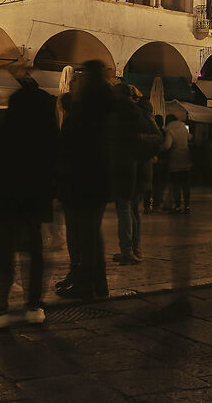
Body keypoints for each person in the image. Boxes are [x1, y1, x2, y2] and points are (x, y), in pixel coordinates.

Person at [0, 69, 56, 327]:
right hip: (36, 199)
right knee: (34, 252)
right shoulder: (49, 134)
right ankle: (34, 307)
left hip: (8, 198)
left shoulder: (10, 131)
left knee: (2, 252)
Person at [56, 61, 115, 302]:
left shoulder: (88, 112)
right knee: (88, 233)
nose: (74, 81)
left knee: (85, 233)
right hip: (92, 179)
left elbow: (77, 147)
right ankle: (95, 284)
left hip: (84, 179)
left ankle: (86, 283)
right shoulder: (98, 108)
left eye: (79, 77)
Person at [108, 83, 152, 264]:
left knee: (128, 208)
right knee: (131, 209)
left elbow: (156, 138)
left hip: (135, 167)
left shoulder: (137, 114)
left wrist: (137, 144)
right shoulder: (137, 113)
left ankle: (131, 249)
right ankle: (133, 249)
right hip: (136, 166)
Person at [163, 110, 194, 213]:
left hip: (174, 161)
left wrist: (161, 148)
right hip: (186, 159)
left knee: (176, 185)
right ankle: (187, 205)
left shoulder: (168, 130)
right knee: (185, 185)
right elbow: (190, 137)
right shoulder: (183, 128)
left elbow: (167, 145)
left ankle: (177, 205)